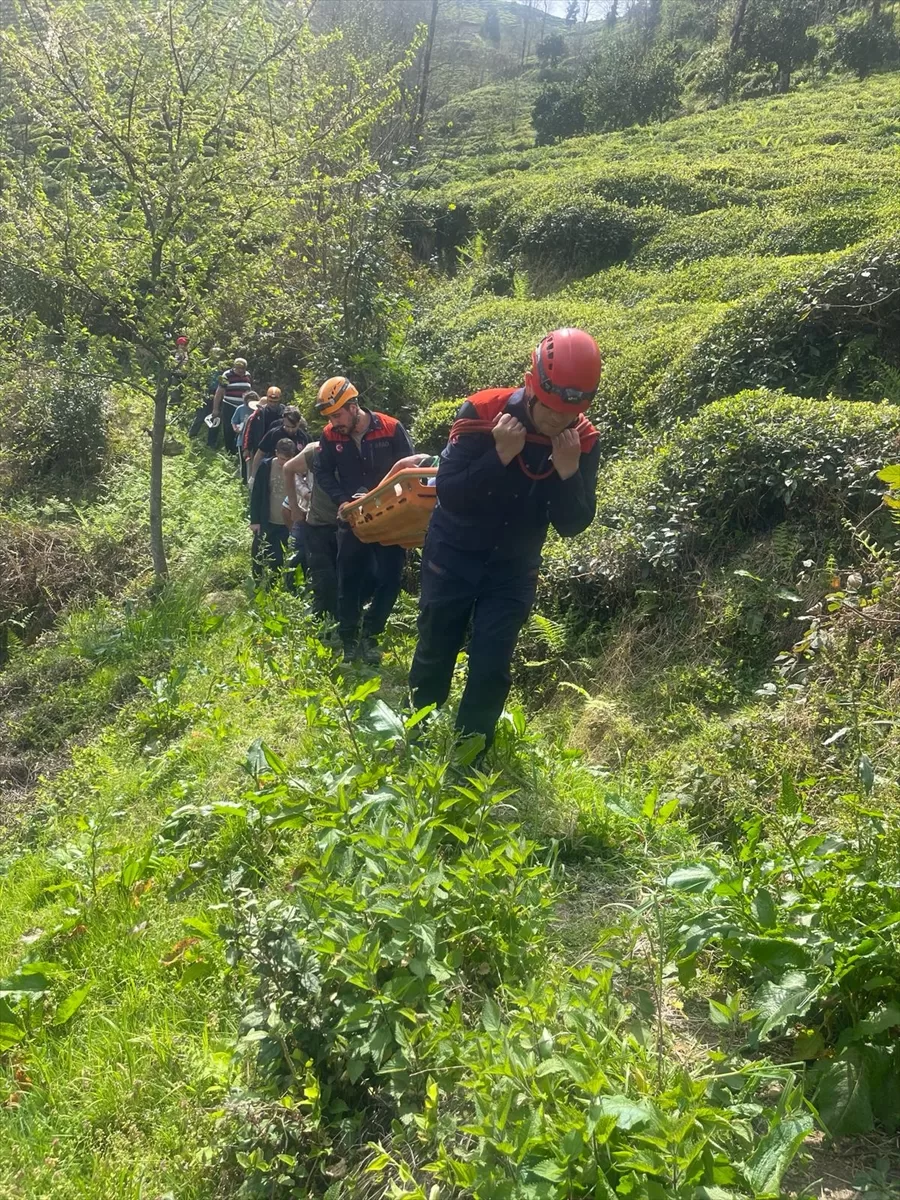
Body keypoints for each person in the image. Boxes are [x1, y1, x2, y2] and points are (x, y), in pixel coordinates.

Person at [408, 327, 603, 753]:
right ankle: (417, 737)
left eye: (566, 414)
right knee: (436, 647)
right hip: (453, 554)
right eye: (549, 409)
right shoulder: (483, 412)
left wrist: (568, 471)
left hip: (513, 568)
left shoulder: (580, 440)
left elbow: (573, 524)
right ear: (532, 383)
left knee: (492, 664)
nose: (556, 421)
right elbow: (451, 493)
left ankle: (470, 752)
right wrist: (498, 456)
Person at [314, 376, 415, 664]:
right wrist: (341, 500)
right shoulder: (330, 435)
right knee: (348, 579)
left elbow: (410, 466)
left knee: (390, 579)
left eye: (337, 415)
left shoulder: (391, 427)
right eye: (330, 417)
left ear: (354, 405)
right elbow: (322, 472)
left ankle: (371, 634)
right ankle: (348, 638)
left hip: (390, 516)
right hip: (353, 517)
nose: (334, 422)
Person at [283, 440, 340, 616]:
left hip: (347, 521)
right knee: (301, 559)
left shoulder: (359, 448)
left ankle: (339, 615)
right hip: (313, 518)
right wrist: (297, 502)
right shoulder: (315, 449)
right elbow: (290, 470)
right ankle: (295, 598)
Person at [249, 437, 296, 583]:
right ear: (276, 453)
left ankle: (272, 586)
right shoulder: (266, 466)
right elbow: (257, 494)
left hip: (285, 523)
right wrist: (255, 520)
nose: (283, 463)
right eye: (281, 458)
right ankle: (257, 582)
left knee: (278, 557)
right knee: (258, 553)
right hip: (266, 519)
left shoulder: (297, 468)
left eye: (287, 459)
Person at [249, 406, 308, 485]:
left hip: (294, 479)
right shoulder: (274, 434)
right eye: (287, 426)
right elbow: (260, 454)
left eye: (293, 427)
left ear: (299, 423)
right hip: (273, 476)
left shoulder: (303, 438)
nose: (290, 430)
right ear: (283, 421)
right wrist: (253, 476)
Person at [209, 357, 253, 455]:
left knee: (243, 428)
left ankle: (239, 450)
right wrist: (215, 409)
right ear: (234, 367)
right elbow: (219, 393)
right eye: (238, 368)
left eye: (243, 368)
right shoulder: (227, 375)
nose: (240, 370)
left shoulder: (248, 375)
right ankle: (230, 452)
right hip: (229, 405)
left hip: (243, 407)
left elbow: (249, 392)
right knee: (229, 429)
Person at [242, 385, 286, 478]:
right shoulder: (259, 412)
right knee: (257, 471)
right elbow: (249, 429)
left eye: (275, 402)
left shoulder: (284, 412)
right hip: (260, 446)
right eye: (270, 401)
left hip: (277, 447)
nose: (273, 404)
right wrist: (246, 447)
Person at [231, 391, 260, 483]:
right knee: (243, 461)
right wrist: (236, 429)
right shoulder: (240, 409)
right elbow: (233, 421)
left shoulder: (257, 410)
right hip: (241, 440)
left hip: (254, 441)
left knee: (254, 461)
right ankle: (243, 481)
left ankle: (252, 480)